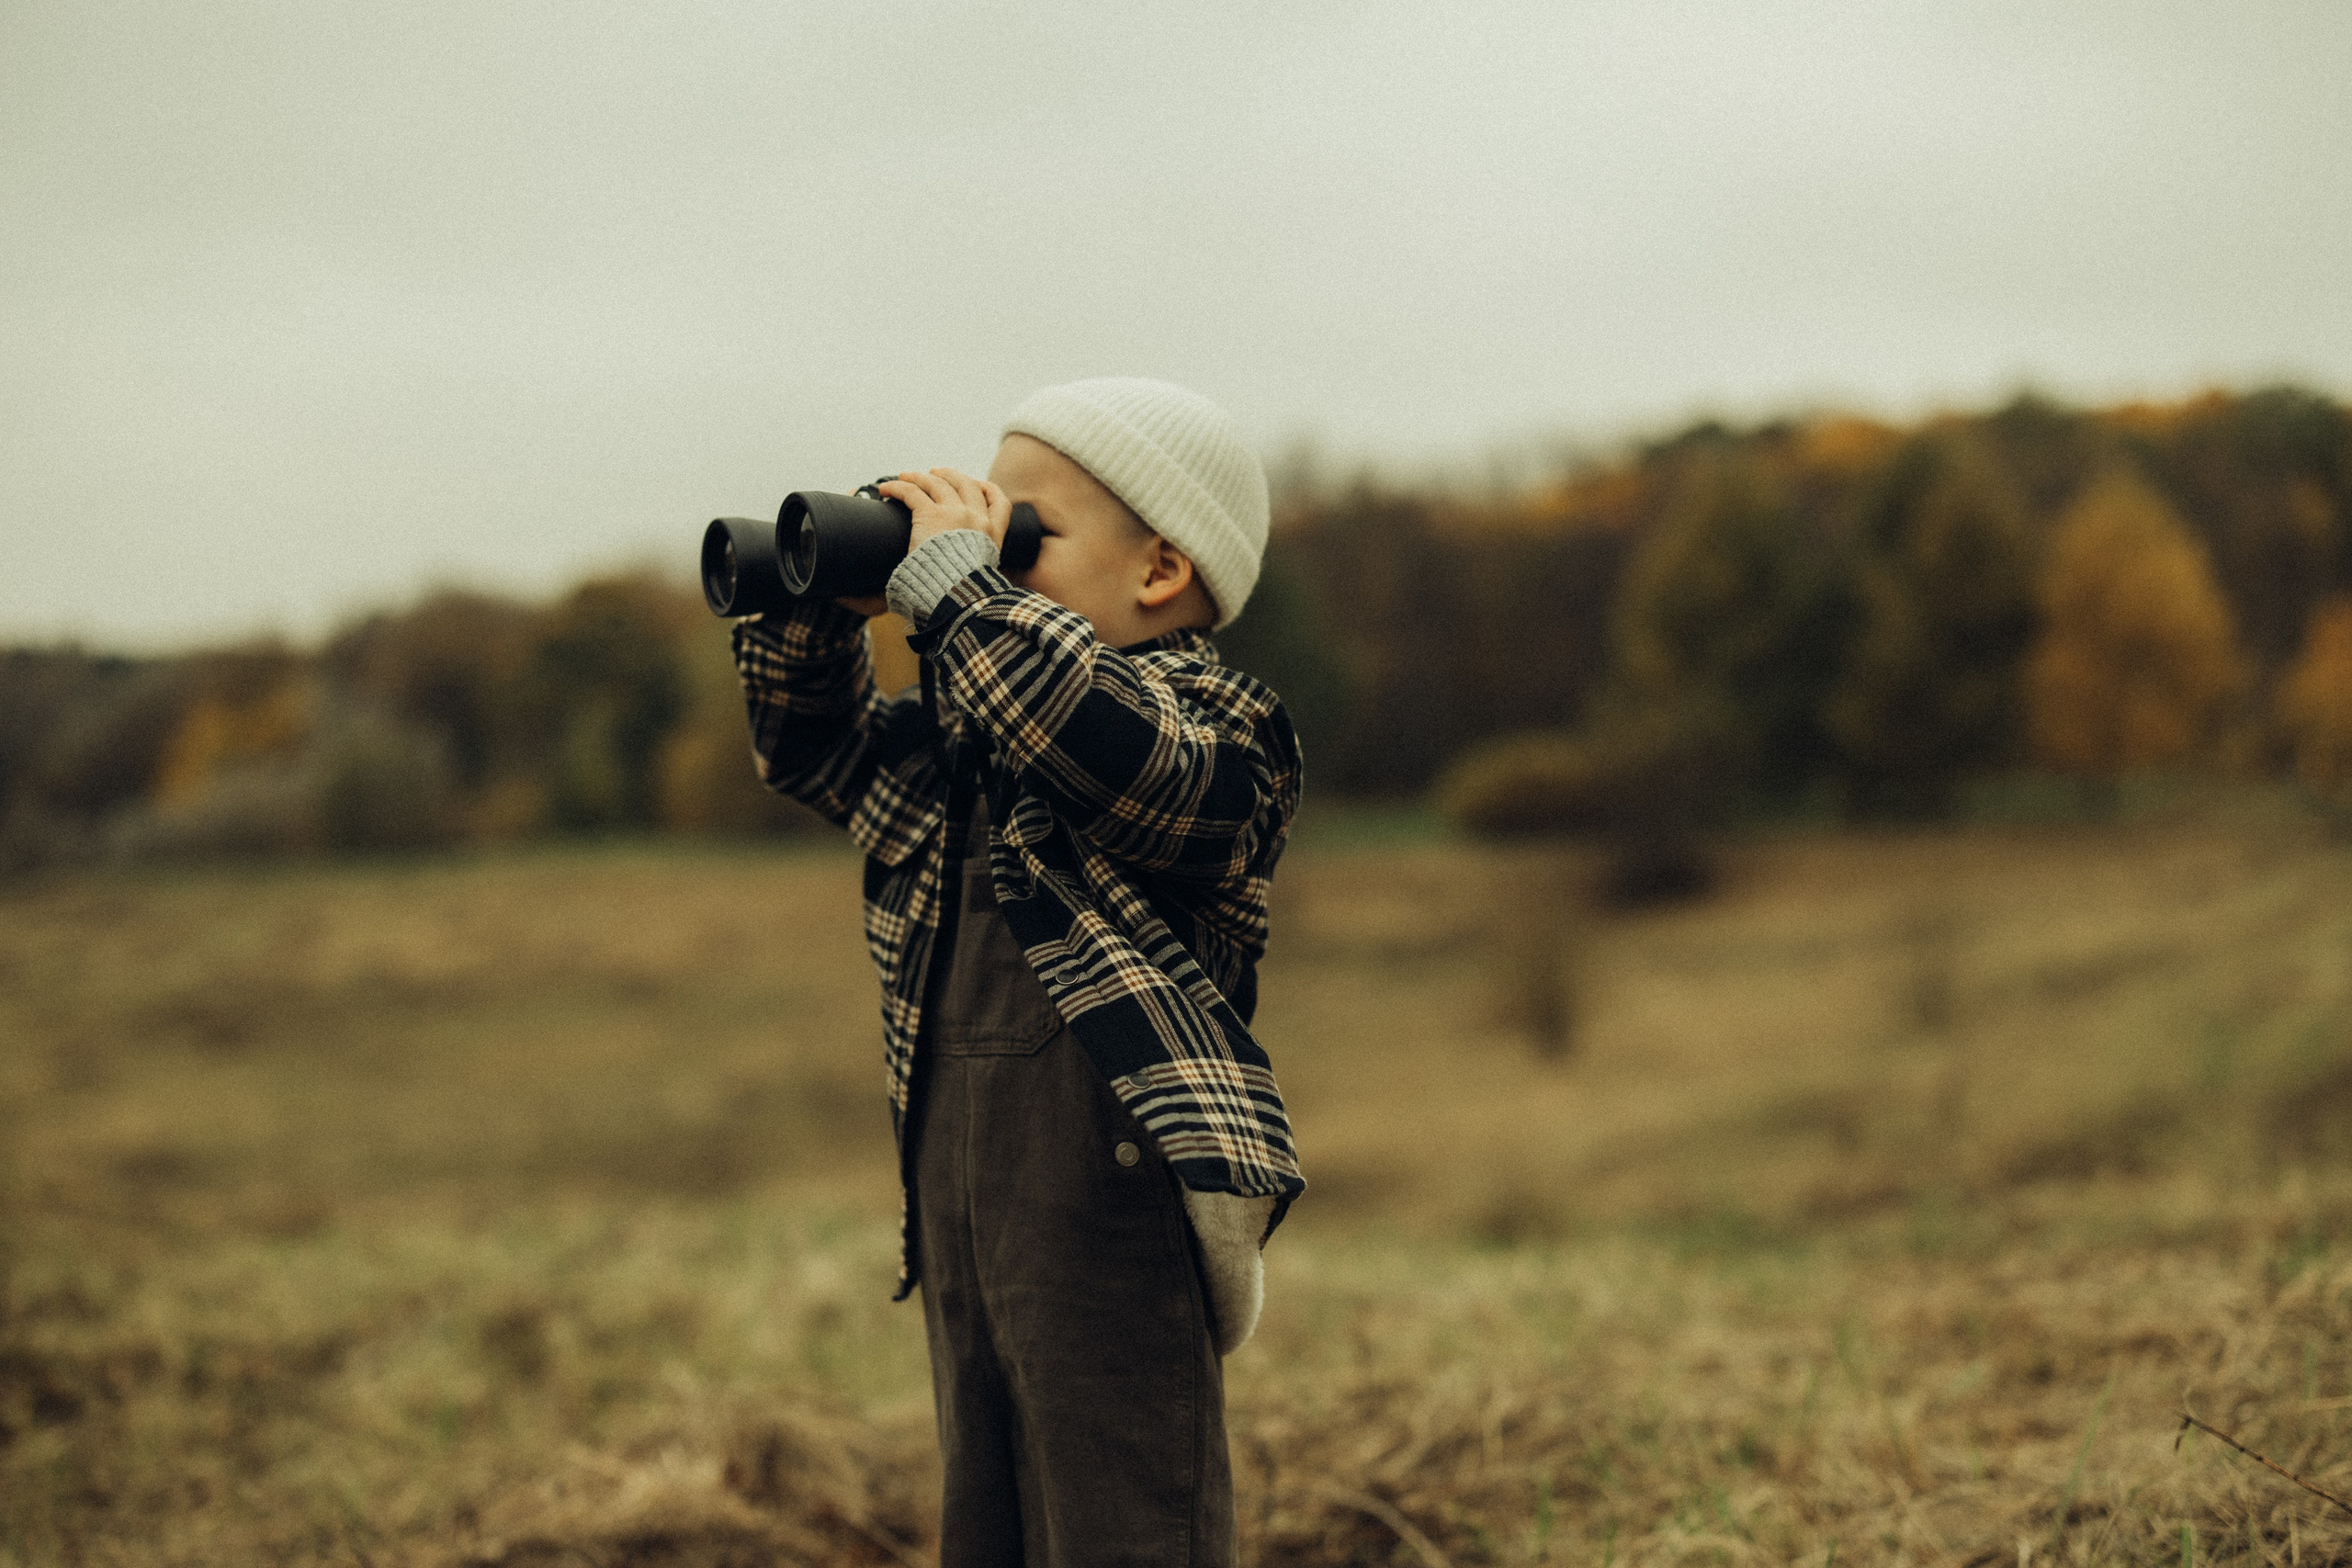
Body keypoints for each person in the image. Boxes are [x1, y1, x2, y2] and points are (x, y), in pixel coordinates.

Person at [729, 377, 1306, 1567]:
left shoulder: (1218, 723)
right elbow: (813, 752)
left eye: (1022, 532)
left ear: (1158, 574)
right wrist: (818, 614)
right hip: (960, 1183)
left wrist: (953, 590)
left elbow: (1105, 750)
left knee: (1121, 1509)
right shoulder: (964, 741)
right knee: (985, 1510)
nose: (983, 547)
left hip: (1111, 1187)